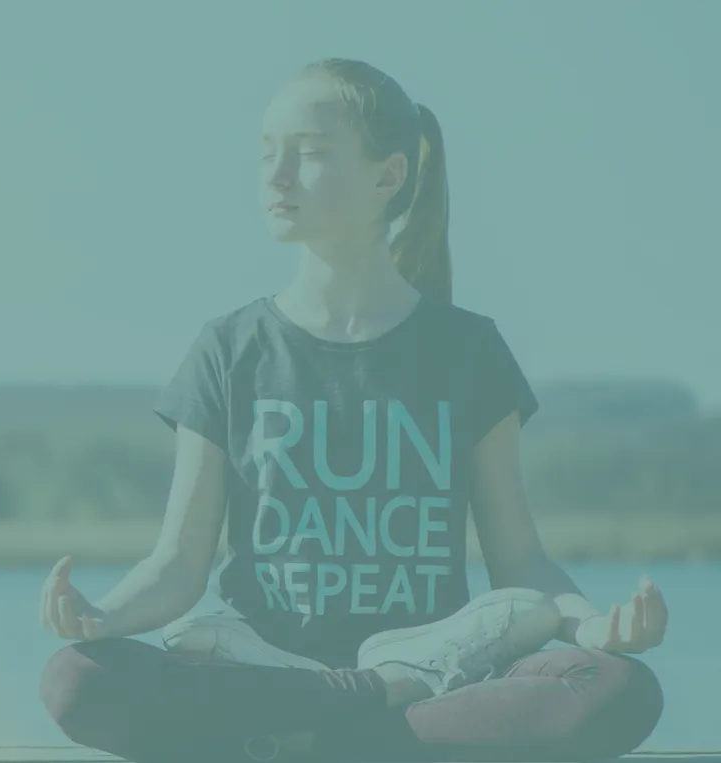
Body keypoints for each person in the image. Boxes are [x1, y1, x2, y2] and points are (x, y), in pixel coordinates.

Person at [36, 58, 669, 763]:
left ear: (388, 176)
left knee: (616, 689)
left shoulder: (468, 350)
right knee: (76, 679)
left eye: (307, 156)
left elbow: (519, 557)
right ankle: (364, 709)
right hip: (261, 663)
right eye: (266, 155)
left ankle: (312, 729)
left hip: (437, 671)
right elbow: (179, 563)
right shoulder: (229, 348)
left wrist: (592, 626)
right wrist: (102, 615)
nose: (277, 177)